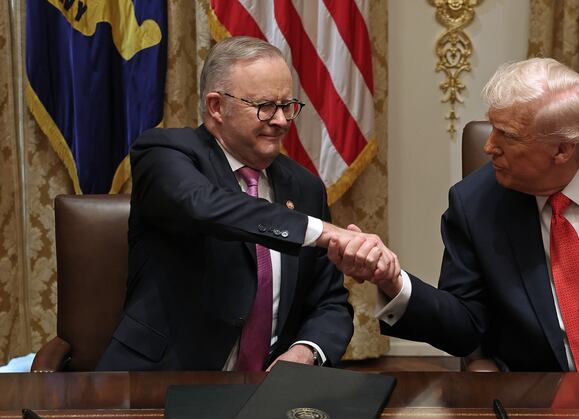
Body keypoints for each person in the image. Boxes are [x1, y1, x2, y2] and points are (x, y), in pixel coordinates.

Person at [330, 58, 579, 373]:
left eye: (506, 136)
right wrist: (392, 281)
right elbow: (464, 326)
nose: (489, 147)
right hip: (543, 402)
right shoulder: (475, 205)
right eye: (491, 130)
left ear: (563, 150)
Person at [96, 37, 395, 371]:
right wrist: (322, 232)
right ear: (216, 106)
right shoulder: (165, 153)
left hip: (267, 395)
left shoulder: (305, 187)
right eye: (265, 106)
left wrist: (305, 352)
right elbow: (204, 206)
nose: (281, 120)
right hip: (159, 384)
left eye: (287, 106)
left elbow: (329, 302)